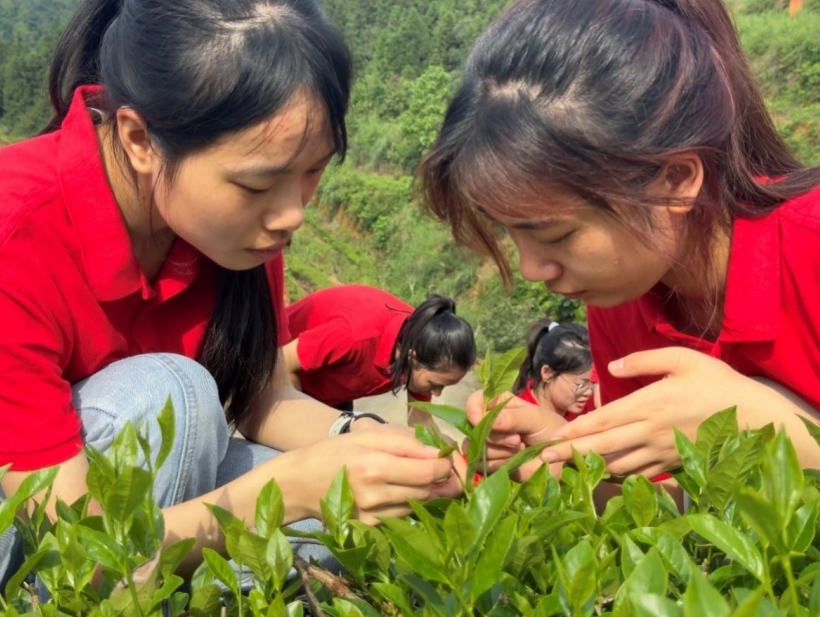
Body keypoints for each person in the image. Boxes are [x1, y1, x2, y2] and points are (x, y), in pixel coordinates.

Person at [0, 0, 463, 587]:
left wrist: (359, 441)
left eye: (314, 171)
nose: (292, 214)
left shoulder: (232, 235)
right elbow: (82, 546)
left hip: (133, 506)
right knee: (172, 396)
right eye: (258, 182)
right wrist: (291, 487)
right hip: (45, 525)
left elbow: (260, 392)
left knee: (346, 521)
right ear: (140, 139)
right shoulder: (15, 234)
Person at [418, 0, 820, 481]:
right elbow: (676, 507)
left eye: (557, 234)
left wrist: (758, 421)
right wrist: (564, 454)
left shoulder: (808, 248)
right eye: (511, 233)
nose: (530, 269)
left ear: (674, 180)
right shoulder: (621, 296)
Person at [284, 285, 476, 430]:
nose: (437, 393)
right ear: (412, 357)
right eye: (436, 384)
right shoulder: (354, 334)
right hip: (276, 370)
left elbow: (420, 421)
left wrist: (456, 460)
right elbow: (283, 363)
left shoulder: (423, 342)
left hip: (328, 389)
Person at [513, 320, 594, 421]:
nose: (589, 392)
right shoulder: (518, 419)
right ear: (547, 373)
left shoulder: (589, 407)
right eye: (580, 385)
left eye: (592, 383)